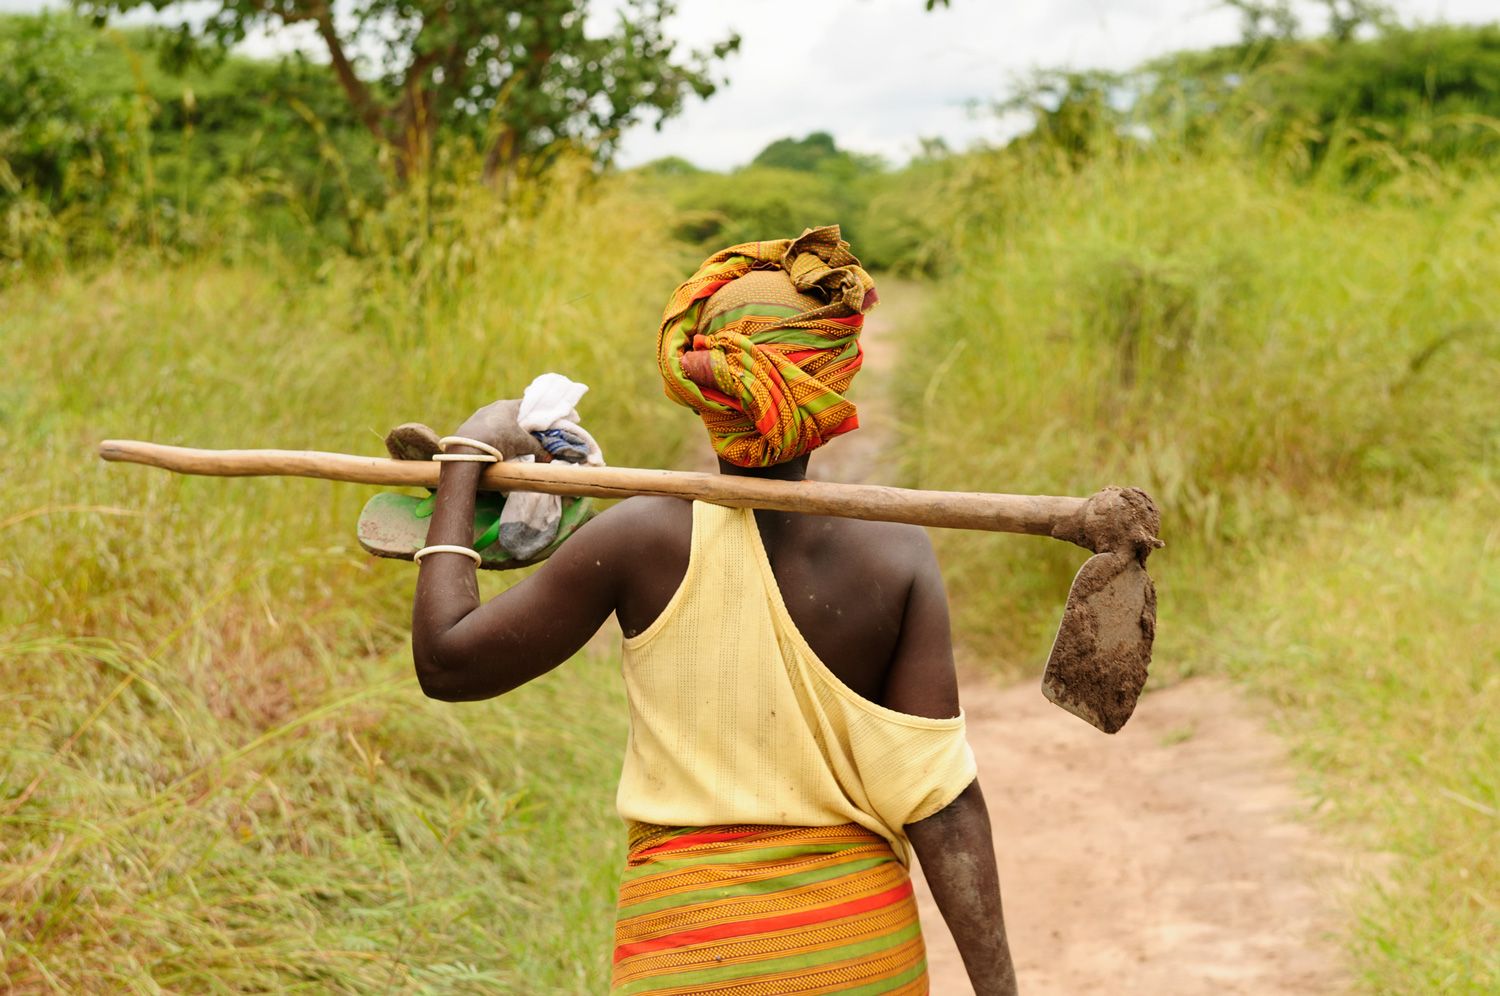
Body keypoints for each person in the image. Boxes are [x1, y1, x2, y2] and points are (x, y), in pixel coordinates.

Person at [409, 227, 1018, 995]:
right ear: (831, 388)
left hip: (687, 955)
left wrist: (464, 460)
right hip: (857, 957)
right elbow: (941, 803)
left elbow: (448, 662)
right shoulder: (895, 555)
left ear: (703, 387)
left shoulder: (637, 537)